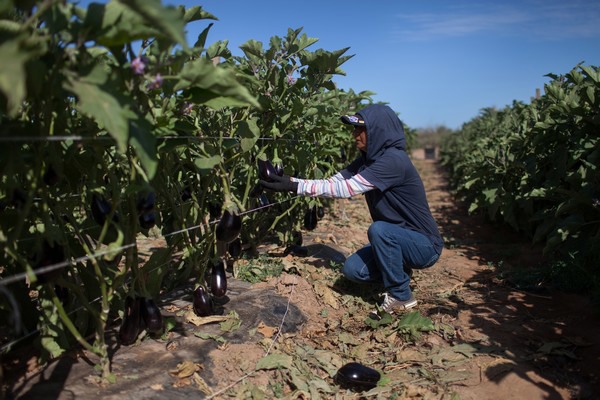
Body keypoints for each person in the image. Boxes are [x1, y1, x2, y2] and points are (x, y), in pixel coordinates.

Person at [260, 104, 443, 316]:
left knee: (380, 230)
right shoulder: (368, 160)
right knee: (353, 270)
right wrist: (289, 181)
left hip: (424, 245)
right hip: (399, 238)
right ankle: (398, 273)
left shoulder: (393, 161)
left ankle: (401, 296)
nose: (355, 135)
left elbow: (345, 189)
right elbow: (333, 182)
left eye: (361, 129)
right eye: (354, 129)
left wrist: (294, 187)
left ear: (378, 131)